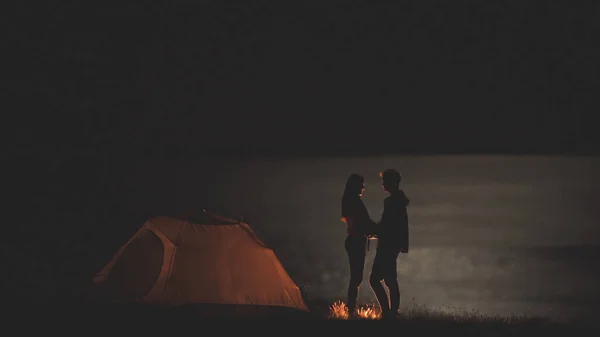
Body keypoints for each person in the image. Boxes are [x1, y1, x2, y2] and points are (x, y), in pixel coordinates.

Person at [369, 169, 410, 319]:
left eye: (384, 181)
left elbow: (388, 226)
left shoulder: (392, 202)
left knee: (378, 280)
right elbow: (399, 226)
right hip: (392, 245)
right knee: (388, 279)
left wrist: (372, 229)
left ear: (390, 183)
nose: (382, 184)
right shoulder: (398, 201)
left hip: (387, 246)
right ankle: (391, 312)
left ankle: (389, 312)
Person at [340, 173, 376, 316]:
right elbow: (363, 223)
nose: (363, 187)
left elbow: (363, 224)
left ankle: (351, 309)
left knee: (356, 277)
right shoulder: (354, 202)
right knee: (356, 277)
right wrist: (379, 230)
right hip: (356, 241)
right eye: (361, 185)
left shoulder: (350, 201)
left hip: (355, 241)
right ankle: (350, 311)